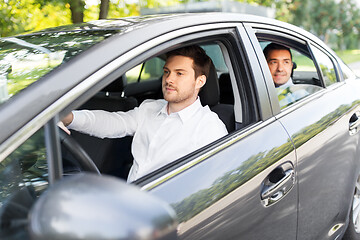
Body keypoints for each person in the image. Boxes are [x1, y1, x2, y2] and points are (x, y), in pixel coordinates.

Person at [61, 45, 228, 182]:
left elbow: (214, 184)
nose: (169, 79)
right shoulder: (149, 108)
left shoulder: (210, 129)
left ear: (200, 81)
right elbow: (113, 123)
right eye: (166, 72)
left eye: (179, 73)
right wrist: (70, 118)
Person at [263, 43, 308, 107]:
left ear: (291, 66)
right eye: (274, 62)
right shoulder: (254, 91)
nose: (280, 69)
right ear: (263, 65)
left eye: (285, 62)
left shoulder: (300, 96)